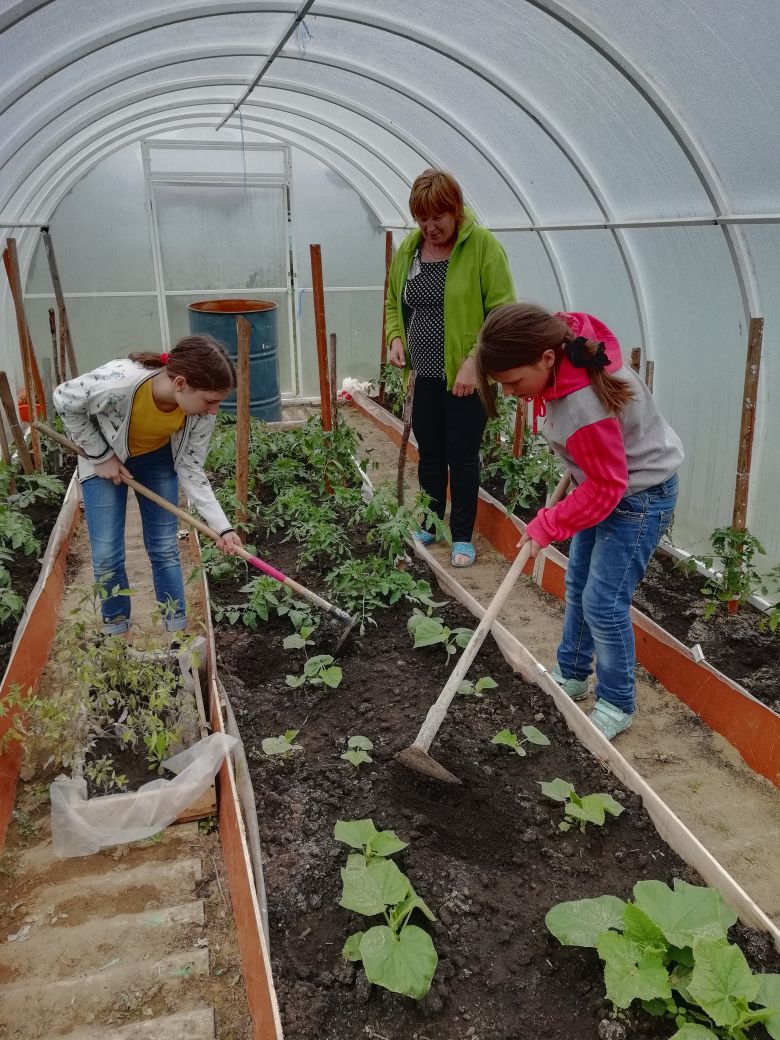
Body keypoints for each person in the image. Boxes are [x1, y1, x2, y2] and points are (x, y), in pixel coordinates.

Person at [475, 303, 684, 740]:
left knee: (604, 602)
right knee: (578, 584)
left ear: (546, 359)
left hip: (638, 497)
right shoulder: (566, 348)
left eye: (514, 382)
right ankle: (571, 673)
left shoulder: (582, 406)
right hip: (606, 485)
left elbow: (609, 486)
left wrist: (548, 524)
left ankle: (617, 702)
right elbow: (601, 475)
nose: (510, 392)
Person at [54, 335, 243, 638]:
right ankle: (118, 635)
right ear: (180, 383)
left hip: (156, 459)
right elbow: (64, 398)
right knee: (106, 554)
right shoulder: (118, 383)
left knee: (165, 547)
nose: (213, 411)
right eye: (210, 401)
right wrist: (101, 456)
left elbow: (191, 466)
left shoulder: (200, 413)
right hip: (103, 453)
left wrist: (222, 527)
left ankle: (177, 635)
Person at [385, 168, 515, 567]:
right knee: (430, 453)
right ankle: (430, 521)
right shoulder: (410, 250)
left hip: (465, 380)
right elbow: (393, 303)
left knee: (462, 455)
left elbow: (502, 313)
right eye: (421, 218)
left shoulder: (482, 247)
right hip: (421, 375)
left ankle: (461, 535)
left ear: (455, 209)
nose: (429, 227)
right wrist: (395, 338)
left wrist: (474, 362)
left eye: (437, 217)